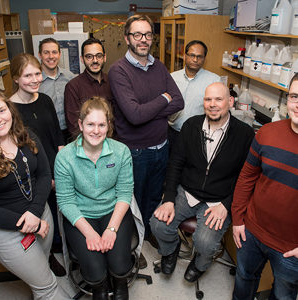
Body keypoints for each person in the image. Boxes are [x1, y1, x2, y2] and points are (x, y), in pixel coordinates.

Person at [150, 82, 255, 283]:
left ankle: (200, 264)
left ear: (230, 102)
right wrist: (170, 198)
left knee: (205, 243)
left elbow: (246, 178)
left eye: (218, 99)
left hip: (219, 200)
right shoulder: (191, 125)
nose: (212, 104)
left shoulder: (244, 134)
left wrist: (227, 205)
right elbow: (175, 164)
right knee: (158, 225)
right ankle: (171, 250)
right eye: (208, 99)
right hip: (187, 192)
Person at [108, 15, 184, 264]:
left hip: (162, 147)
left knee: (153, 198)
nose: (144, 40)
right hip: (135, 152)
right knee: (133, 203)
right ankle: (132, 247)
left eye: (148, 34)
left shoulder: (159, 66)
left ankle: (149, 234)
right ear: (127, 38)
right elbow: (134, 115)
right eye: (138, 34)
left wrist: (147, 109)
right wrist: (163, 99)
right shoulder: (119, 71)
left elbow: (179, 100)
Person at [55, 97, 134, 300]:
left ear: (108, 126)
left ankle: (119, 282)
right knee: (95, 270)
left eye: (101, 125)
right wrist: (89, 233)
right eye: (90, 124)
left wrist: (112, 229)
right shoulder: (65, 157)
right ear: (80, 124)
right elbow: (65, 201)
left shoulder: (121, 152)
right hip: (81, 215)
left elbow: (125, 193)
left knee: (119, 264)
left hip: (113, 211)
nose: (96, 131)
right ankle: (99, 288)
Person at [232, 74, 298, 300]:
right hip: (252, 231)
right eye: (294, 96)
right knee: (244, 279)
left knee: (283, 295)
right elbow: (246, 178)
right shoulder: (267, 133)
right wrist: (238, 218)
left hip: (291, 248)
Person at [0, 92, 70, 299]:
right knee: (46, 288)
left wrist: (36, 212)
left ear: (10, 110)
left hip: (41, 214)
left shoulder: (26, 135)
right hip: (9, 232)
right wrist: (30, 222)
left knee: (42, 269)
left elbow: (44, 174)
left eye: (1, 110)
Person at [10, 53, 65, 276]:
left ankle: (64, 247)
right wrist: (45, 176)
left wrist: (60, 166)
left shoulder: (45, 100)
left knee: (60, 209)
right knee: (43, 214)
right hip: (32, 173)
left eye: (37, 74)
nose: (35, 79)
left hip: (55, 164)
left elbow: (56, 134)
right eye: (27, 75)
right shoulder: (9, 109)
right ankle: (48, 255)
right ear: (15, 78)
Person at [168, 40, 221, 148]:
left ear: (204, 59)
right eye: (192, 55)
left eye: (199, 56)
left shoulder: (214, 81)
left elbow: (219, 111)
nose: (195, 59)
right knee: (171, 164)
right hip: (172, 133)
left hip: (199, 136)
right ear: (184, 56)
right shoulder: (172, 78)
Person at [64, 38, 113, 138]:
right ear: (82, 59)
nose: (95, 60)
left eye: (99, 56)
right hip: (88, 147)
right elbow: (73, 125)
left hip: (112, 144)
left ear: (104, 57)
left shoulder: (112, 81)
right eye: (89, 57)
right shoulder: (73, 86)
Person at [38, 37, 75, 143]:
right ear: (40, 55)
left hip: (70, 133)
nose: (51, 56)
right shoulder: (35, 81)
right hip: (47, 134)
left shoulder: (69, 77)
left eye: (54, 52)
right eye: (46, 52)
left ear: (59, 54)